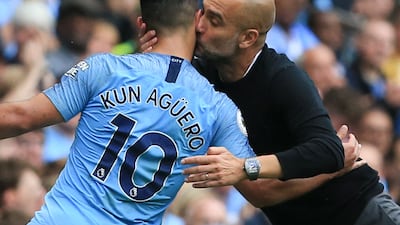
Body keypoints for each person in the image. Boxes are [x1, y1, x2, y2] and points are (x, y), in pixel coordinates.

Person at [139, 0, 400, 224]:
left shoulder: (283, 78)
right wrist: (154, 55)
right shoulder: (202, 75)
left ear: (247, 37)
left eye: (215, 21)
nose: (200, 26)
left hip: (360, 212)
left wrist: (245, 166)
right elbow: (260, 192)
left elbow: (328, 149)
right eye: (203, 12)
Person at [0, 0, 259, 224]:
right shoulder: (217, 107)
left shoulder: (105, 69)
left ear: (141, 25)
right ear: (198, 20)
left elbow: (19, 117)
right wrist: (296, 161)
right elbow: (262, 190)